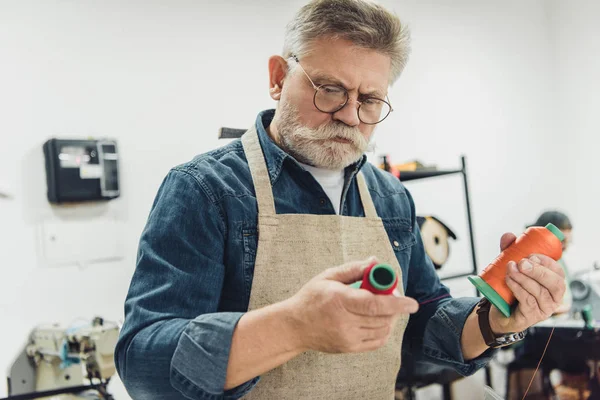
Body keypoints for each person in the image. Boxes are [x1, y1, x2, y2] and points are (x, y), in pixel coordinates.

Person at [114, 1, 566, 399]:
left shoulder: (390, 198)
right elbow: (142, 365)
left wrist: (495, 321)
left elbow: (425, 322)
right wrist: (292, 327)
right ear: (277, 77)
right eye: (330, 89)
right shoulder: (206, 191)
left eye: (370, 99)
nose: (350, 115)